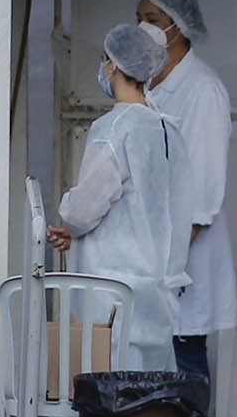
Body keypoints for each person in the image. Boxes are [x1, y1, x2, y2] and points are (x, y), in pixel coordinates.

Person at [47, 23, 187, 374]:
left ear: (113, 65)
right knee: (146, 403)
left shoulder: (113, 129)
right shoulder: (168, 130)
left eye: (104, 60)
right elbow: (155, 206)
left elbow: (82, 210)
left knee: (103, 400)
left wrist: (72, 223)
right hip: (154, 291)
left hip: (108, 293)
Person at [137, 0, 236, 379]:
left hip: (184, 251)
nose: (143, 27)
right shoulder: (149, 82)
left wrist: (172, 262)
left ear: (178, 25)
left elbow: (204, 189)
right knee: (153, 359)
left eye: (152, 19)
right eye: (139, 18)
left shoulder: (204, 90)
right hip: (153, 247)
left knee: (185, 356)